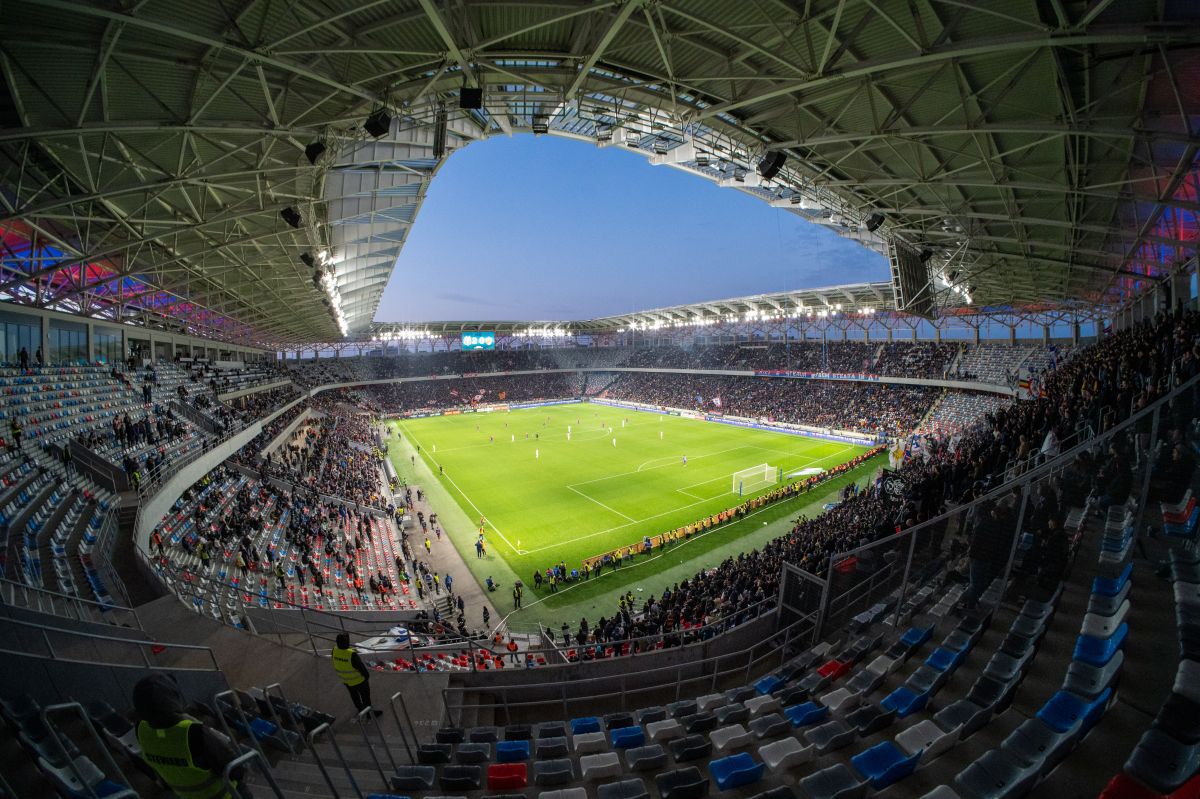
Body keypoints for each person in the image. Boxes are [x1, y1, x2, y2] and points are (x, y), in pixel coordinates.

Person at [133, 672, 251, 798]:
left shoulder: (141, 730)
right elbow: (234, 769)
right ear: (172, 698)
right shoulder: (192, 732)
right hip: (226, 794)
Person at [332, 633, 381, 716]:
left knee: (354, 696)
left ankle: (360, 709)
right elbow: (361, 668)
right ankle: (369, 713)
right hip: (359, 680)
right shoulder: (351, 654)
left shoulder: (334, 650)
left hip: (346, 680)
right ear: (346, 642)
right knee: (365, 697)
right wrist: (366, 676)